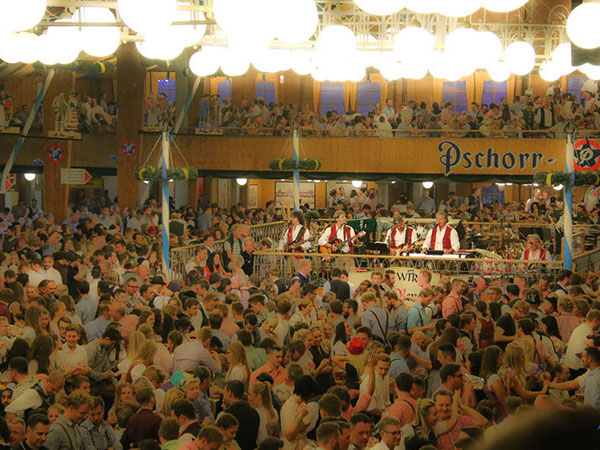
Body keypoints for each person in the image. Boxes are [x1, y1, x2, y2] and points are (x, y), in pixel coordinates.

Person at [221, 380, 260, 450]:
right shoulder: (255, 412)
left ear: (230, 393)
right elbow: (260, 438)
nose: (224, 396)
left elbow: (217, 439)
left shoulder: (224, 415)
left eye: (225, 393)